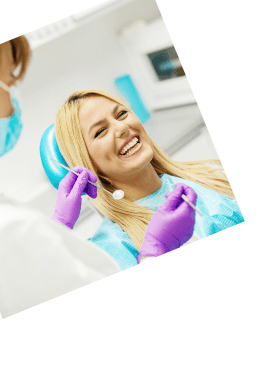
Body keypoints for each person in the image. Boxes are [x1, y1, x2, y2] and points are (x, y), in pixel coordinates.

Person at [0, 37, 197, 317]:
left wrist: (58, 226)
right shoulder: (2, 234)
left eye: (121, 114)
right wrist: (154, 256)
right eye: (10, 80)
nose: (11, 104)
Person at [55, 89, 245, 270]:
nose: (122, 127)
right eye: (100, 131)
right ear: (88, 163)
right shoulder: (112, 249)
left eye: (121, 114)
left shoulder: (213, 172)